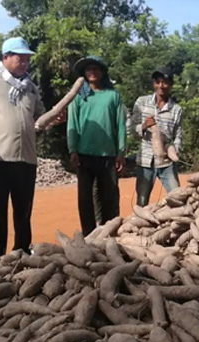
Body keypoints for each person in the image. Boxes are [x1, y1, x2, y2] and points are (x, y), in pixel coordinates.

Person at [0, 37, 57, 263]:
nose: (25, 62)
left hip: (26, 159)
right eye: (20, 57)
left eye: (27, 58)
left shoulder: (30, 87)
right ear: (5, 57)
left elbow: (40, 117)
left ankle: (21, 256)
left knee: (23, 212)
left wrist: (53, 119)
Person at [67, 56, 126, 236]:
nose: (92, 72)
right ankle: (89, 234)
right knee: (85, 198)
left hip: (108, 155)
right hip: (84, 154)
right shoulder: (79, 96)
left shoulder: (112, 95)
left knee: (109, 196)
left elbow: (120, 125)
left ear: (102, 72)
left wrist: (121, 152)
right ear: (84, 74)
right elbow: (72, 124)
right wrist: (73, 150)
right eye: (88, 69)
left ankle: (110, 232)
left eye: (96, 69)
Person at [128, 67, 183, 207]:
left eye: (165, 83)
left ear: (170, 84)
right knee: (141, 200)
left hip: (166, 162)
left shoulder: (176, 109)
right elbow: (131, 130)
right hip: (145, 161)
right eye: (158, 82)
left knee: (177, 197)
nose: (161, 86)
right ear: (154, 83)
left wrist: (174, 151)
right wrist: (144, 126)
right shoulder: (142, 103)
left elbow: (178, 136)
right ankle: (140, 225)